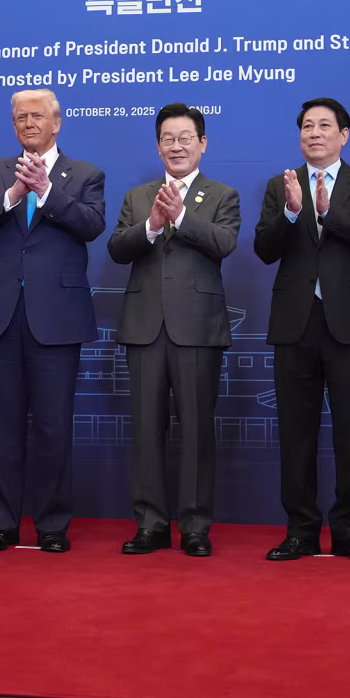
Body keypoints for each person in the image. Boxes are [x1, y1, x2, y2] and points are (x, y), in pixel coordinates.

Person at [0, 89, 106, 554]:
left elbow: (90, 225)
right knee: (0, 426)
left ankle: (52, 525)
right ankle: (0, 523)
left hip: (56, 317)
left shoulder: (85, 174)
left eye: (36, 116)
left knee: (53, 427)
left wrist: (45, 191)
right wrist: (13, 194)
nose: (28, 123)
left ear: (56, 123)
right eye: (20, 117)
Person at [253, 97, 350, 562]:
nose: (314, 133)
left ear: (344, 134)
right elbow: (264, 250)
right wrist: (292, 213)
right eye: (307, 126)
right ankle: (301, 530)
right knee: (296, 433)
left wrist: (329, 211)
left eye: (324, 125)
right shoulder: (280, 185)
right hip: (296, 324)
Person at [108, 103, 240, 557]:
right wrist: (152, 225)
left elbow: (224, 243)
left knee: (198, 431)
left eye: (186, 137)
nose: (176, 146)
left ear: (202, 143)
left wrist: (181, 218)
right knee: (146, 431)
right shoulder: (137, 196)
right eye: (168, 138)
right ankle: (150, 525)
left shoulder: (222, 194)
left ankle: (196, 526)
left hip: (198, 329)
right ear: (158, 144)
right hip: (145, 328)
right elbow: (117, 248)